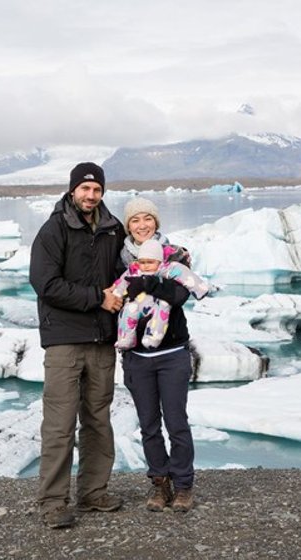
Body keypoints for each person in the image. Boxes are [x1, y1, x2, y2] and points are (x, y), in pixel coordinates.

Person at [29, 162, 126, 529]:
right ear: (73, 191)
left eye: (96, 190)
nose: (90, 195)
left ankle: (93, 492)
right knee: (59, 423)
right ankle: (53, 502)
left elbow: (128, 271)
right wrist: (95, 298)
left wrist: (171, 259)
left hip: (102, 340)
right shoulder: (53, 229)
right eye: (84, 189)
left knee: (99, 420)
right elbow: (45, 283)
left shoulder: (113, 229)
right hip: (65, 342)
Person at [118, 197, 203, 513]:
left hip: (172, 354)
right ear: (128, 226)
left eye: (147, 218)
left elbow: (179, 295)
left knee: (177, 422)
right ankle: (159, 483)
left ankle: (183, 485)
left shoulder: (176, 256)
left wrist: (144, 283)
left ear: (156, 222)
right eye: (135, 220)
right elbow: (116, 293)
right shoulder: (121, 260)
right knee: (149, 425)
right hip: (137, 358)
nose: (142, 225)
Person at [112, 238, 209, 350]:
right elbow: (123, 281)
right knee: (128, 311)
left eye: (150, 262)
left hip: (157, 302)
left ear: (159, 261)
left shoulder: (166, 269)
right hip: (138, 303)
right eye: (142, 262)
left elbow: (184, 274)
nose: (146, 266)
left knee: (162, 309)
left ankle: (153, 338)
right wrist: (116, 293)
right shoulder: (134, 270)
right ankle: (126, 340)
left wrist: (200, 289)